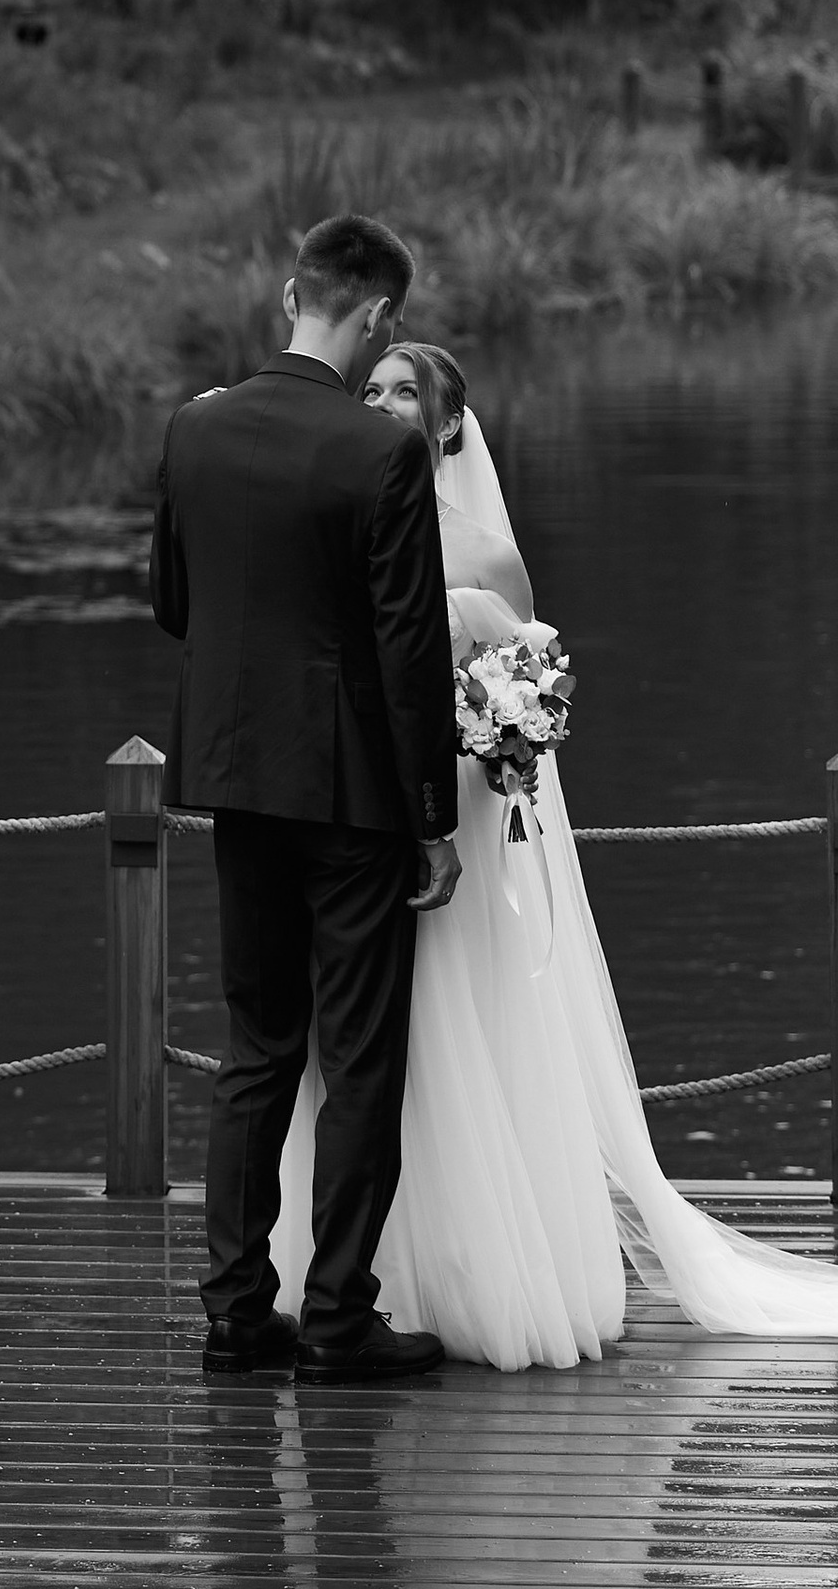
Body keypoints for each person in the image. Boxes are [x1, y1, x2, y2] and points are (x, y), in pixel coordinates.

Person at [263, 337, 838, 1362]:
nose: (386, 404)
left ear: (446, 425)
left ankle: (481, 1277)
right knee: (351, 1056)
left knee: (460, 1040)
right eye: (374, 389)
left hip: (458, 839)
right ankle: (349, 1277)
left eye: (408, 393)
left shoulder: (483, 556)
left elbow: (526, 700)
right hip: (355, 832)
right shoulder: (332, 528)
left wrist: (492, 737)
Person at [149, 212, 464, 1384]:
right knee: (360, 1056)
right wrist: (430, 816)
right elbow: (406, 650)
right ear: (378, 315)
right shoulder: (381, 453)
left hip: (235, 777)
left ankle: (235, 1312)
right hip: (350, 792)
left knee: (257, 1047)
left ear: (291, 291)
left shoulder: (195, 427)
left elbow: (174, 603)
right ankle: (336, 1317)